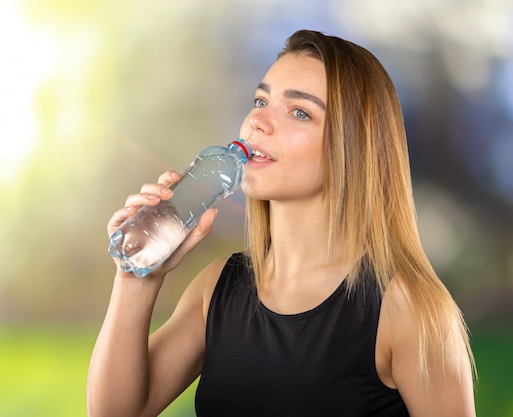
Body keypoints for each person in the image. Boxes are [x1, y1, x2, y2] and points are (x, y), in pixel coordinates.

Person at [87, 29, 476, 416]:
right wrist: (135, 280)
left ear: (353, 149)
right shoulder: (218, 288)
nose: (258, 120)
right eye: (261, 99)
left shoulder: (408, 309)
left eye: (300, 112)